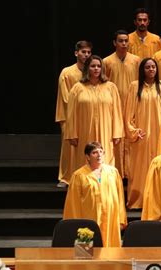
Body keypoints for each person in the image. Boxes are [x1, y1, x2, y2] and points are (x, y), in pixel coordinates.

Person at [65, 55, 123, 181]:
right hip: (84, 131)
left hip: (106, 132)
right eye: (93, 66)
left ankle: (106, 189)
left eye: (98, 66)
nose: (96, 68)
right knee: (84, 161)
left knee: (105, 160)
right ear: (87, 68)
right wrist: (72, 134)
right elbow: (71, 113)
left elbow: (117, 112)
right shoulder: (77, 88)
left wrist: (117, 133)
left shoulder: (111, 87)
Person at [124, 58, 161, 209]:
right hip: (141, 135)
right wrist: (133, 131)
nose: (151, 70)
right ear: (142, 70)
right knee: (139, 168)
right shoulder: (134, 86)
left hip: (159, 134)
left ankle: (158, 201)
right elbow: (128, 113)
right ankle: (139, 200)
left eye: (153, 67)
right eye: (148, 67)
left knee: (160, 166)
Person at [63, 142, 127, 247]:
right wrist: (75, 224)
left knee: (110, 254)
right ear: (87, 157)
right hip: (87, 222)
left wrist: (121, 219)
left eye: (101, 152)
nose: (99, 155)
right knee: (86, 254)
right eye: (94, 152)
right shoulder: (79, 175)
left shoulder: (113, 172)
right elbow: (73, 202)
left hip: (110, 217)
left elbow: (120, 197)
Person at [104, 29, 141, 177]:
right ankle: (117, 171)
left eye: (126, 41)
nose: (124, 43)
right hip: (114, 104)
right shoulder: (107, 61)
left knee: (132, 136)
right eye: (121, 41)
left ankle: (132, 172)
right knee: (117, 137)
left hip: (132, 104)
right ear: (114, 43)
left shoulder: (136, 60)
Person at [55, 40, 92, 187]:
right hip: (68, 115)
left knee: (84, 144)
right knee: (68, 147)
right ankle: (65, 177)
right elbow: (66, 97)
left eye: (89, 52)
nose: (86, 55)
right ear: (76, 53)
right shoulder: (67, 72)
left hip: (85, 114)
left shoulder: (92, 71)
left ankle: (82, 175)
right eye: (83, 52)